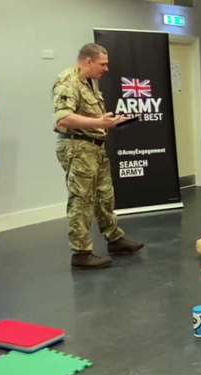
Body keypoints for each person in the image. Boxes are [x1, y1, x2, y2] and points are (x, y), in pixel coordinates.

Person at [52, 43, 144, 269]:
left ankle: (114, 239)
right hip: (78, 148)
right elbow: (63, 118)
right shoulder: (68, 81)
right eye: (103, 64)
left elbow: (89, 117)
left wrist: (110, 122)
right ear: (88, 61)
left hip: (95, 146)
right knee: (82, 201)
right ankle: (81, 253)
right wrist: (99, 122)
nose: (106, 68)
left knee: (105, 196)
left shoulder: (90, 83)